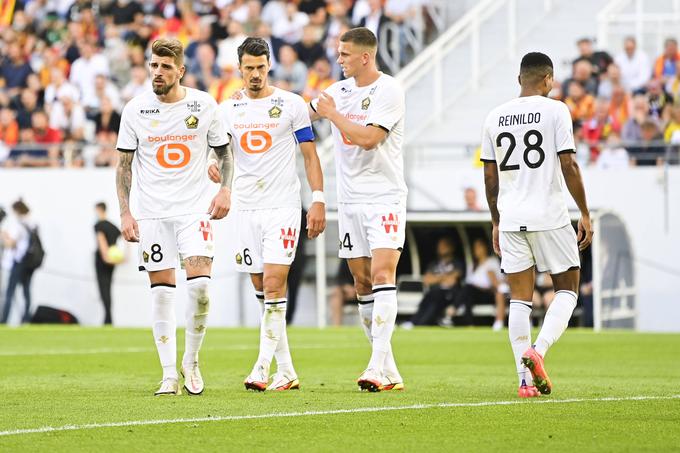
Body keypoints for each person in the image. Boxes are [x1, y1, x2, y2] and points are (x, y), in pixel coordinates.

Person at [115, 38, 231, 396]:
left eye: (166, 67)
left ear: (180, 70)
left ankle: (191, 361)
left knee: (200, 288)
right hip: (152, 213)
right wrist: (125, 212)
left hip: (195, 208)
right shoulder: (135, 110)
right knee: (162, 293)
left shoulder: (204, 105)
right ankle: (168, 373)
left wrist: (226, 189)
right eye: (154, 65)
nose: (158, 72)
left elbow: (225, 154)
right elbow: (123, 165)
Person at [210, 37, 325, 392]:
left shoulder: (291, 104)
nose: (256, 74)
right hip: (246, 207)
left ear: (269, 65)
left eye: (261, 67)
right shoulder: (226, 110)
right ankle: (286, 369)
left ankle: (260, 367)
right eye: (249, 68)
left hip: (283, 206)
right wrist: (214, 169)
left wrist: (318, 198)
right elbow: (221, 155)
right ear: (239, 68)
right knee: (262, 290)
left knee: (275, 284)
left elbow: (309, 154)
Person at [481, 52, 593, 398]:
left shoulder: (494, 116)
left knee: (519, 298)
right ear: (548, 80)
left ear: (519, 79)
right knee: (567, 288)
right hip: (549, 214)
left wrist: (496, 220)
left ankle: (523, 381)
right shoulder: (556, 110)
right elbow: (569, 164)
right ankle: (538, 351)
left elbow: (489, 175)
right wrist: (585, 213)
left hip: (512, 216)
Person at [309, 27, 407, 392]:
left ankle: (375, 366)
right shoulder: (338, 91)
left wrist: (333, 116)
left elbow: (368, 139)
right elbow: (301, 115)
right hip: (349, 201)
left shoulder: (389, 90)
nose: (339, 59)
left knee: (383, 275)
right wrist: (255, 100)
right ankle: (390, 370)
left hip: (385, 197)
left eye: (345, 54)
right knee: (362, 283)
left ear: (365, 57)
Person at [403, 236, 463, 328]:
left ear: (451, 247)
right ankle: (412, 322)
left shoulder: (457, 263)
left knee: (435, 299)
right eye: (439, 246)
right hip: (434, 292)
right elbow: (427, 280)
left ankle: (420, 324)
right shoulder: (434, 264)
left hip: (449, 294)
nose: (440, 248)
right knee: (427, 299)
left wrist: (436, 278)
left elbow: (452, 281)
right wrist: (444, 277)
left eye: (444, 245)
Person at [1, 200, 37, 324]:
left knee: (10, 291)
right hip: (28, 263)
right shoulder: (31, 223)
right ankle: (26, 318)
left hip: (18, 263)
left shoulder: (18, 224)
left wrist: (3, 234)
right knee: (26, 292)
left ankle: (4, 320)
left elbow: (10, 244)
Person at [93, 202, 121, 325]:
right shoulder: (113, 227)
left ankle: (108, 319)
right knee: (108, 288)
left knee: (103, 288)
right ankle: (108, 318)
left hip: (103, 260)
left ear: (99, 210)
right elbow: (119, 243)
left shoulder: (99, 225)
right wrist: (120, 259)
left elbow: (101, 242)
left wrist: (105, 257)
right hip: (113, 260)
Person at [329, 258, 357, 326]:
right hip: (350, 293)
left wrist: (359, 288)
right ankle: (336, 328)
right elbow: (340, 279)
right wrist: (346, 287)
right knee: (336, 293)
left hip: (368, 291)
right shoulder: (347, 254)